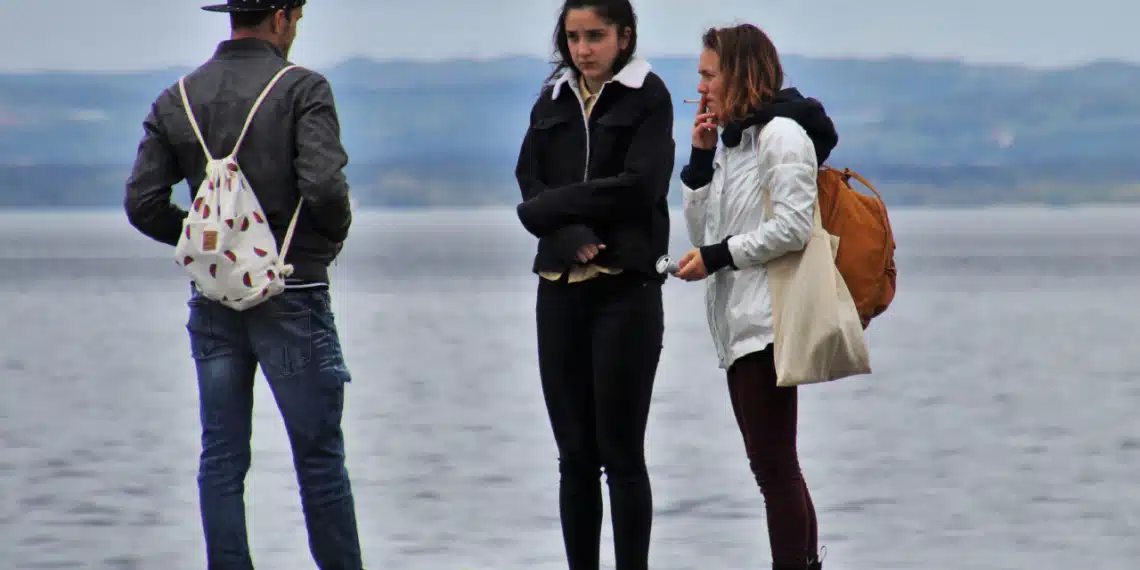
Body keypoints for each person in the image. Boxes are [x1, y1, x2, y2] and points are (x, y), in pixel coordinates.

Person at [123, 1, 364, 568]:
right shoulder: (303, 88)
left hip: (213, 299)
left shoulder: (175, 99)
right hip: (293, 290)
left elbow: (142, 203)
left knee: (223, 458)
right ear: (280, 17)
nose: (296, 29)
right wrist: (326, 244)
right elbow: (325, 188)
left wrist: (210, 244)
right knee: (320, 461)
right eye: (298, 18)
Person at [513, 0, 676, 568]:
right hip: (558, 288)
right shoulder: (551, 97)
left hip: (624, 290)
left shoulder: (648, 96)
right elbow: (527, 179)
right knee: (574, 457)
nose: (583, 49)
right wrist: (565, 232)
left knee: (622, 454)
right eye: (574, 37)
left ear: (624, 36)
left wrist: (554, 211)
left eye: (596, 36)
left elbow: (640, 187)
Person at [673, 23, 839, 570]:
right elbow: (702, 233)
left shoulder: (782, 136)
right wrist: (698, 165)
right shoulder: (732, 143)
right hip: (737, 323)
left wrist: (720, 256)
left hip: (767, 319)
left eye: (708, 75)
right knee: (773, 464)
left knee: (773, 465)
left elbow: (792, 227)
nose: (701, 87)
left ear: (739, 73)